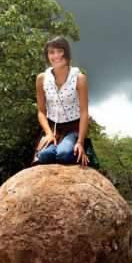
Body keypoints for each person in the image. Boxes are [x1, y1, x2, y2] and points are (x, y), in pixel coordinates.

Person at [34, 36, 89, 166]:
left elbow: (84, 112)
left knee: (65, 154)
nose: (56, 56)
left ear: (66, 52)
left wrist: (80, 142)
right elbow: (41, 111)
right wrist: (48, 133)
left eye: (60, 51)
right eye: (51, 52)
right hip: (53, 128)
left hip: (73, 127)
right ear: (47, 55)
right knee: (44, 155)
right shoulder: (42, 79)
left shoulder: (79, 78)